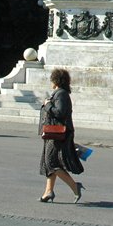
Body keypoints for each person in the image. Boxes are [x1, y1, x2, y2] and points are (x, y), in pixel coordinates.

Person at [39, 68, 85, 203]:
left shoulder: (61, 94)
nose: (51, 82)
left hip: (58, 134)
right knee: (49, 162)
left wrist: (47, 105)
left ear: (56, 80)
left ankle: (75, 186)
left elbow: (60, 113)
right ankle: (48, 191)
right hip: (53, 133)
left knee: (51, 163)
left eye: (52, 79)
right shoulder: (59, 93)